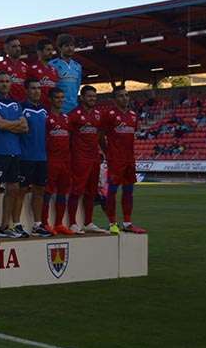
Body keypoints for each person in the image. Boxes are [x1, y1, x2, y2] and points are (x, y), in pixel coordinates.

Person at [0, 71, 28, 238]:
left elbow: (25, 128)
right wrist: (15, 124)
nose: (4, 84)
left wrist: (8, 124)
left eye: (7, 81)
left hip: (15, 151)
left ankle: (5, 226)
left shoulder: (16, 104)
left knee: (13, 188)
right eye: (1, 81)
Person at [100, 86, 146, 234]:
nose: (124, 98)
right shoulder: (109, 114)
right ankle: (113, 222)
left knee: (128, 191)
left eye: (126, 95)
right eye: (120, 96)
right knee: (112, 191)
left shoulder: (133, 115)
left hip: (129, 159)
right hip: (115, 159)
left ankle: (127, 222)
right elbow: (100, 135)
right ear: (114, 99)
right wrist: (107, 152)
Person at [67, 85, 109, 233]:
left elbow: (100, 136)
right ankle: (72, 223)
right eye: (90, 96)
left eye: (94, 97)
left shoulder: (98, 114)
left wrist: (106, 152)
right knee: (77, 190)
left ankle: (88, 222)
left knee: (91, 192)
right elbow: (67, 136)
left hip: (94, 158)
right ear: (82, 97)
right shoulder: (74, 114)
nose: (92, 99)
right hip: (79, 158)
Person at [18, 78, 53, 237]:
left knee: (39, 190)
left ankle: (37, 224)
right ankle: (16, 223)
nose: (36, 91)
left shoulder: (45, 110)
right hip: (25, 157)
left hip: (41, 157)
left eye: (38, 88)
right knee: (21, 190)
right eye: (33, 88)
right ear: (26, 90)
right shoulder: (20, 108)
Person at [43, 88, 73, 235]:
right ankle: (44, 222)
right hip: (51, 160)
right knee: (47, 192)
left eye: (62, 97)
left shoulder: (66, 118)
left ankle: (59, 223)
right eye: (57, 98)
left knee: (62, 192)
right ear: (50, 99)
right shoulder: (46, 117)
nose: (60, 100)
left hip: (65, 161)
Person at [50, 33, 83, 114]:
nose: (70, 48)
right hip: (58, 109)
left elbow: (77, 87)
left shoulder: (78, 66)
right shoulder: (52, 65)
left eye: (72, 45)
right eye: (66, 46)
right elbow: (51, 87)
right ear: (60, 48)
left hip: (74, 108)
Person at [27, 38, 59, 107]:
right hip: (37, 107)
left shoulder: (54, 70)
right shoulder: (31, 69)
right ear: (39, 52)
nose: (51, 52)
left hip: (52, 108)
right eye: (48, 50)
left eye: (51, 50)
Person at [0, 35, 28, 103]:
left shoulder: (25, 66)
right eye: (14, 46)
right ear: (6, 49)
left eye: (19, 46)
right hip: (7, 103)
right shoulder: (0, 66)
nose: (18, 49)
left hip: (23, 103)